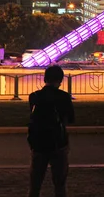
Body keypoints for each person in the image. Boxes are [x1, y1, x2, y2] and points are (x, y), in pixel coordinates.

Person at [27, 65, 75, 197]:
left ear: (44, 79)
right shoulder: (64, 97)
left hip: (38, 144)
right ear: (60, 80)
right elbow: (70, 119)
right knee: (59, 185)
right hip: (58, 144)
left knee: (35, 184)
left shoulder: (34, 97)